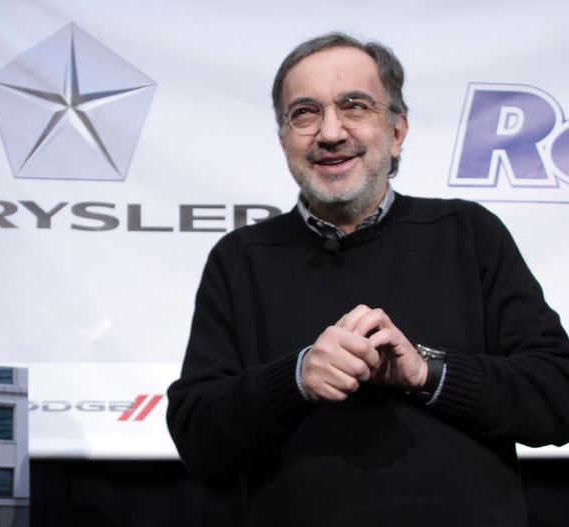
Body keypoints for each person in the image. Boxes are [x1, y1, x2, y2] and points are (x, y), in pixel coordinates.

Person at [166, 32, 569, 526]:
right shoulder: (240, 259)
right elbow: (199, 440)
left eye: (354, 106)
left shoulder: (468, 233)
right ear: (283, 140)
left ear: (397, 130)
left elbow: (558, 396)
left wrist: (425, 372)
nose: (330, 132)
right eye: (304, 113)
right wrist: (296, 379)